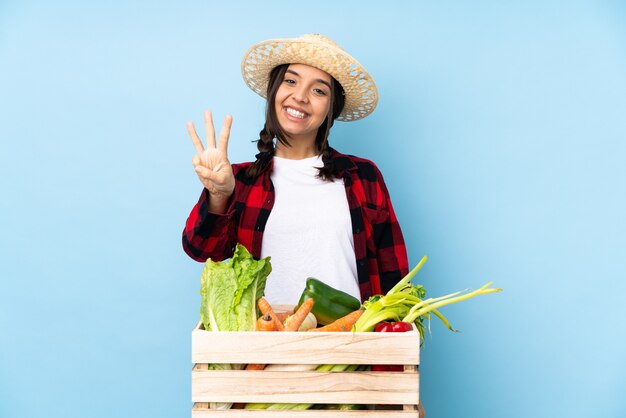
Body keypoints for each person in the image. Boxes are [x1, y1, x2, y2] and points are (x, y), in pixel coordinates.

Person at [182, 34, 408, 305]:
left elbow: (394, 277)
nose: (300, 97)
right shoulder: (240, 181)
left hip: (352, 341)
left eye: (319, 90)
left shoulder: (362, 176)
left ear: (330, 109)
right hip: (266, 341)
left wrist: (396, 337)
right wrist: (219, 196)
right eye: (290, 81)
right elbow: (201, 250)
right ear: (274, 91)